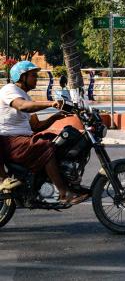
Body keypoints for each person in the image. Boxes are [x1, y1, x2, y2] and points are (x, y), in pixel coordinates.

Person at [0, 61, 88, 204]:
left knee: (60, 141)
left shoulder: (26, 96)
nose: (36, 78)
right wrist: (51, 103)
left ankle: (68, 182)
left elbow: (36, 126)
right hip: (10, 140)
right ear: (22, 77)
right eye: (33, 75)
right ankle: (64, 193)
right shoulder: (10, 90)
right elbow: (23, 106)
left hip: (24, 138)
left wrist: (54, 117)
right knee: (45, 146)